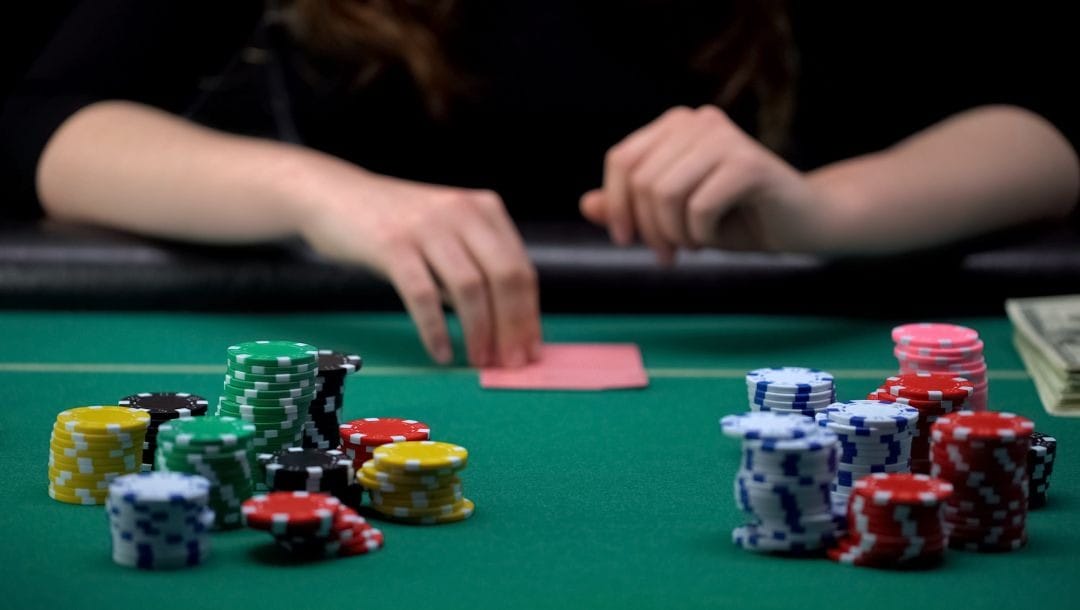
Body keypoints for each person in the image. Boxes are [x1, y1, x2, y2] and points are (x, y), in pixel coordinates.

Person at [2, 1, 1077, 368]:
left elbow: (1044, 132)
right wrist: (320, 193)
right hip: (383, 341)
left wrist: (822, 208)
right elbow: (46, 129)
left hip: (749, 333)